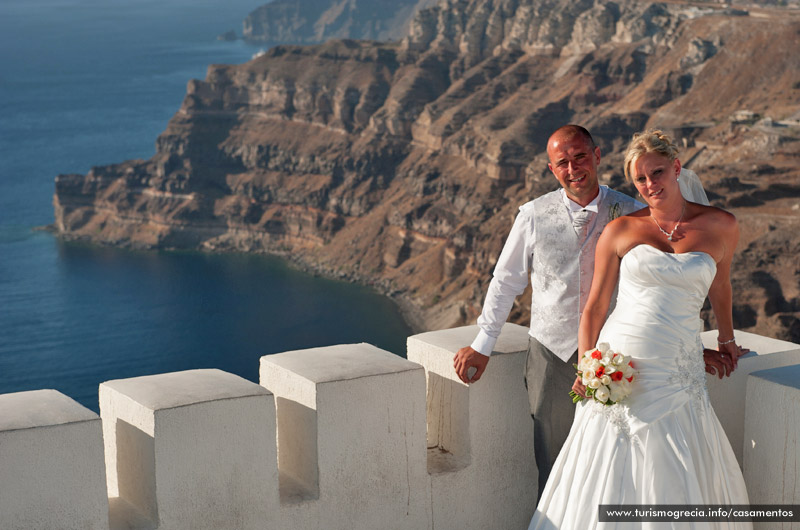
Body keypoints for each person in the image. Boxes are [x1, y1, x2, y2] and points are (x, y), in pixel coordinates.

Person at [528, 130, 750, 529]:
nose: (650, 185)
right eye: (640, 180)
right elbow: (595, 307)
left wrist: (727, 339)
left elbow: (721, 285)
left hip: (677, 368)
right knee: (608, 466)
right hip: (620, 361)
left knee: (678, 464)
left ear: (677, 168)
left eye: (657, 173)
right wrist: (586, 366)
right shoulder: (621, 230)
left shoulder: (721, 225)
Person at [453, 125, 645, 498]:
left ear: (597, 156)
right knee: (553, 458)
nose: (573, 168)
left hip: (618, 354)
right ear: (551, 169)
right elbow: (506, 280)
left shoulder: (633, 211)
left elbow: (655, 284)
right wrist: (483, 342)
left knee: (617, 454)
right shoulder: (532, 214)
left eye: (580, 158)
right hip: (550, 355)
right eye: (563, 163)